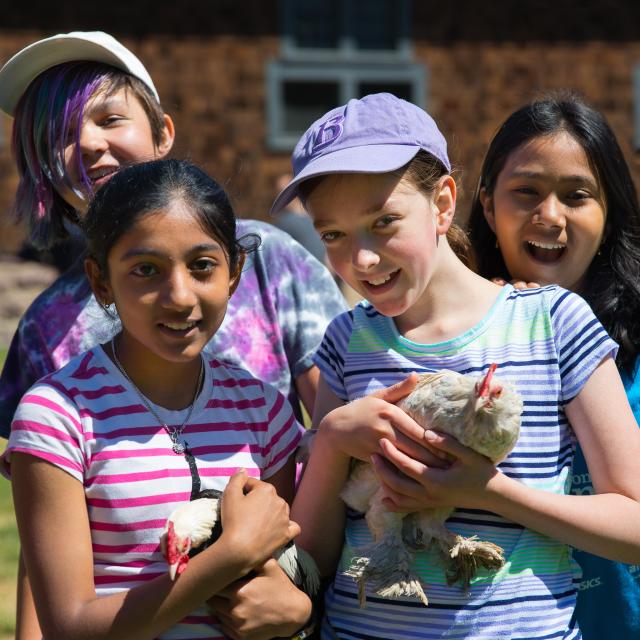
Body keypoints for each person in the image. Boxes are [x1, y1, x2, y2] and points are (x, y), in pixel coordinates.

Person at [0, 31, 344, 638]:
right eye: (58, 135)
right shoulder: (47, 332)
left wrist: (305, 608)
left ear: (162, 133)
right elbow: (49, 547)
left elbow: (330, 453)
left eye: (110, 118)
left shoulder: (272, 262)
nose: (88, 145)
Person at [270, 92, 640, 638]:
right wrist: (328, 442)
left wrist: (484, 491)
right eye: (333, 235)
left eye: (385, 221)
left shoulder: (556, 323)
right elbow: (314, 561)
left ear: (443, 202)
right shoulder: (345, 340)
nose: (363, 258)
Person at [466, 94, 640, 639]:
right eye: (527, 192)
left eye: (577, 195)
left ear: (608, 213)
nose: (550, 215)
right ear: (488, 205)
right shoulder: (447, 340)